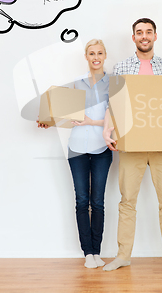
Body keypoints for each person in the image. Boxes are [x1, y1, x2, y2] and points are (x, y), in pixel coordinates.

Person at [102, 18, 162, 271]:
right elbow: (114, 102)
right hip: (131, 142)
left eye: (148, 32)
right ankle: (123, 256)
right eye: (139, 32)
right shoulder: (121, 67)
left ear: (155, 36)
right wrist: (107, 129)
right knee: (127, 199)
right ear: (133, 38)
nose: (144, 36)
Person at [37, 39, 112, 269]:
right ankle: (87, 252)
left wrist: (92, 121)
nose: (95, 57)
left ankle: (97, 251)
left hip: (102, 149)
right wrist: (49, 121)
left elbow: (116, 117)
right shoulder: (76, 84)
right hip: (77, 149)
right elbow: (65, 110)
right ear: (86, 57)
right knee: (81, 200)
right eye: (91, 53)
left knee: (97, 202)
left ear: (105, 56)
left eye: (99, 52)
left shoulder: (114, 84)